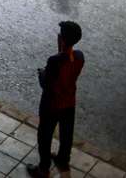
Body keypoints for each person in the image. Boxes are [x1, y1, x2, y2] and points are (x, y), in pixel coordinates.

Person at [27, 21, 85, 178]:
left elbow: (46, 84)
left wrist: (41, 73)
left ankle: (43, 168)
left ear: (62, 39)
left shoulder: (54, 61)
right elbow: (66, 64)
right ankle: (62, 159)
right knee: (66, 134)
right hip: (69, 102)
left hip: (52, 104)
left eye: (60, 34)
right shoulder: (79, 57)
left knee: (44, 136)